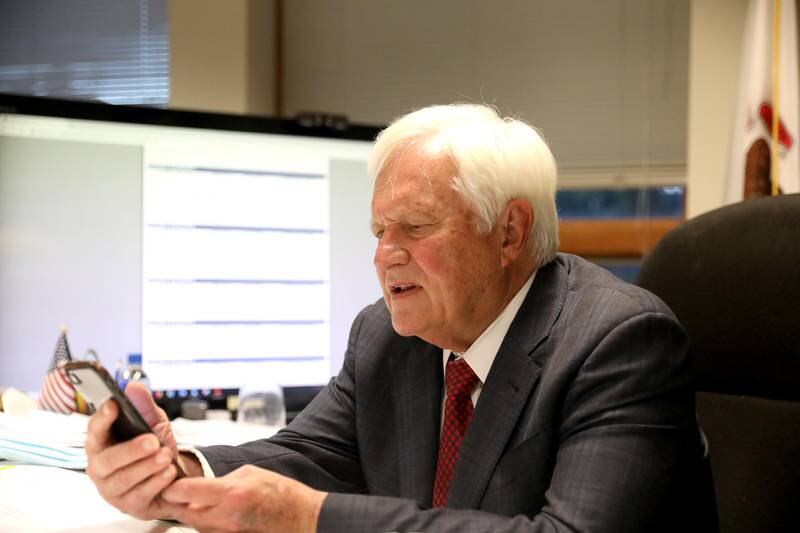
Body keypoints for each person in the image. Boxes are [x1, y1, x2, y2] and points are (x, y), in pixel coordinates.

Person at [85, 104, 717, 532]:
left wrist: (309, 519)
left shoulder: (619, 343)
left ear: (509, 232)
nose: (385, 255)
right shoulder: (387, 333)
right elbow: (309, 453)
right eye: (379, 230)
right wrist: (181, 472)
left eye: (413, 227)